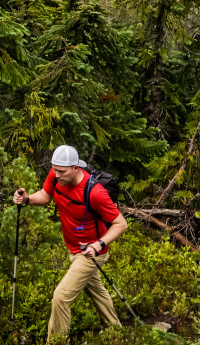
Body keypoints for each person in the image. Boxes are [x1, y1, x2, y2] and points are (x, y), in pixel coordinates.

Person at [14, 144, 128, 342]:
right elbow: (45, 196)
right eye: (55, 170)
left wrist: (98, 245)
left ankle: (56, 342)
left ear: (76, 168)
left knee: (60, 297)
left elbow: (120, 223)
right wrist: (26, 199)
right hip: (74, 249)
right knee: (98, 292)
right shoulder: (56, 175)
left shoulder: (95, 192)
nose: (57, 175)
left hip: (91, 253)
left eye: (62, 171)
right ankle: (115, 333)